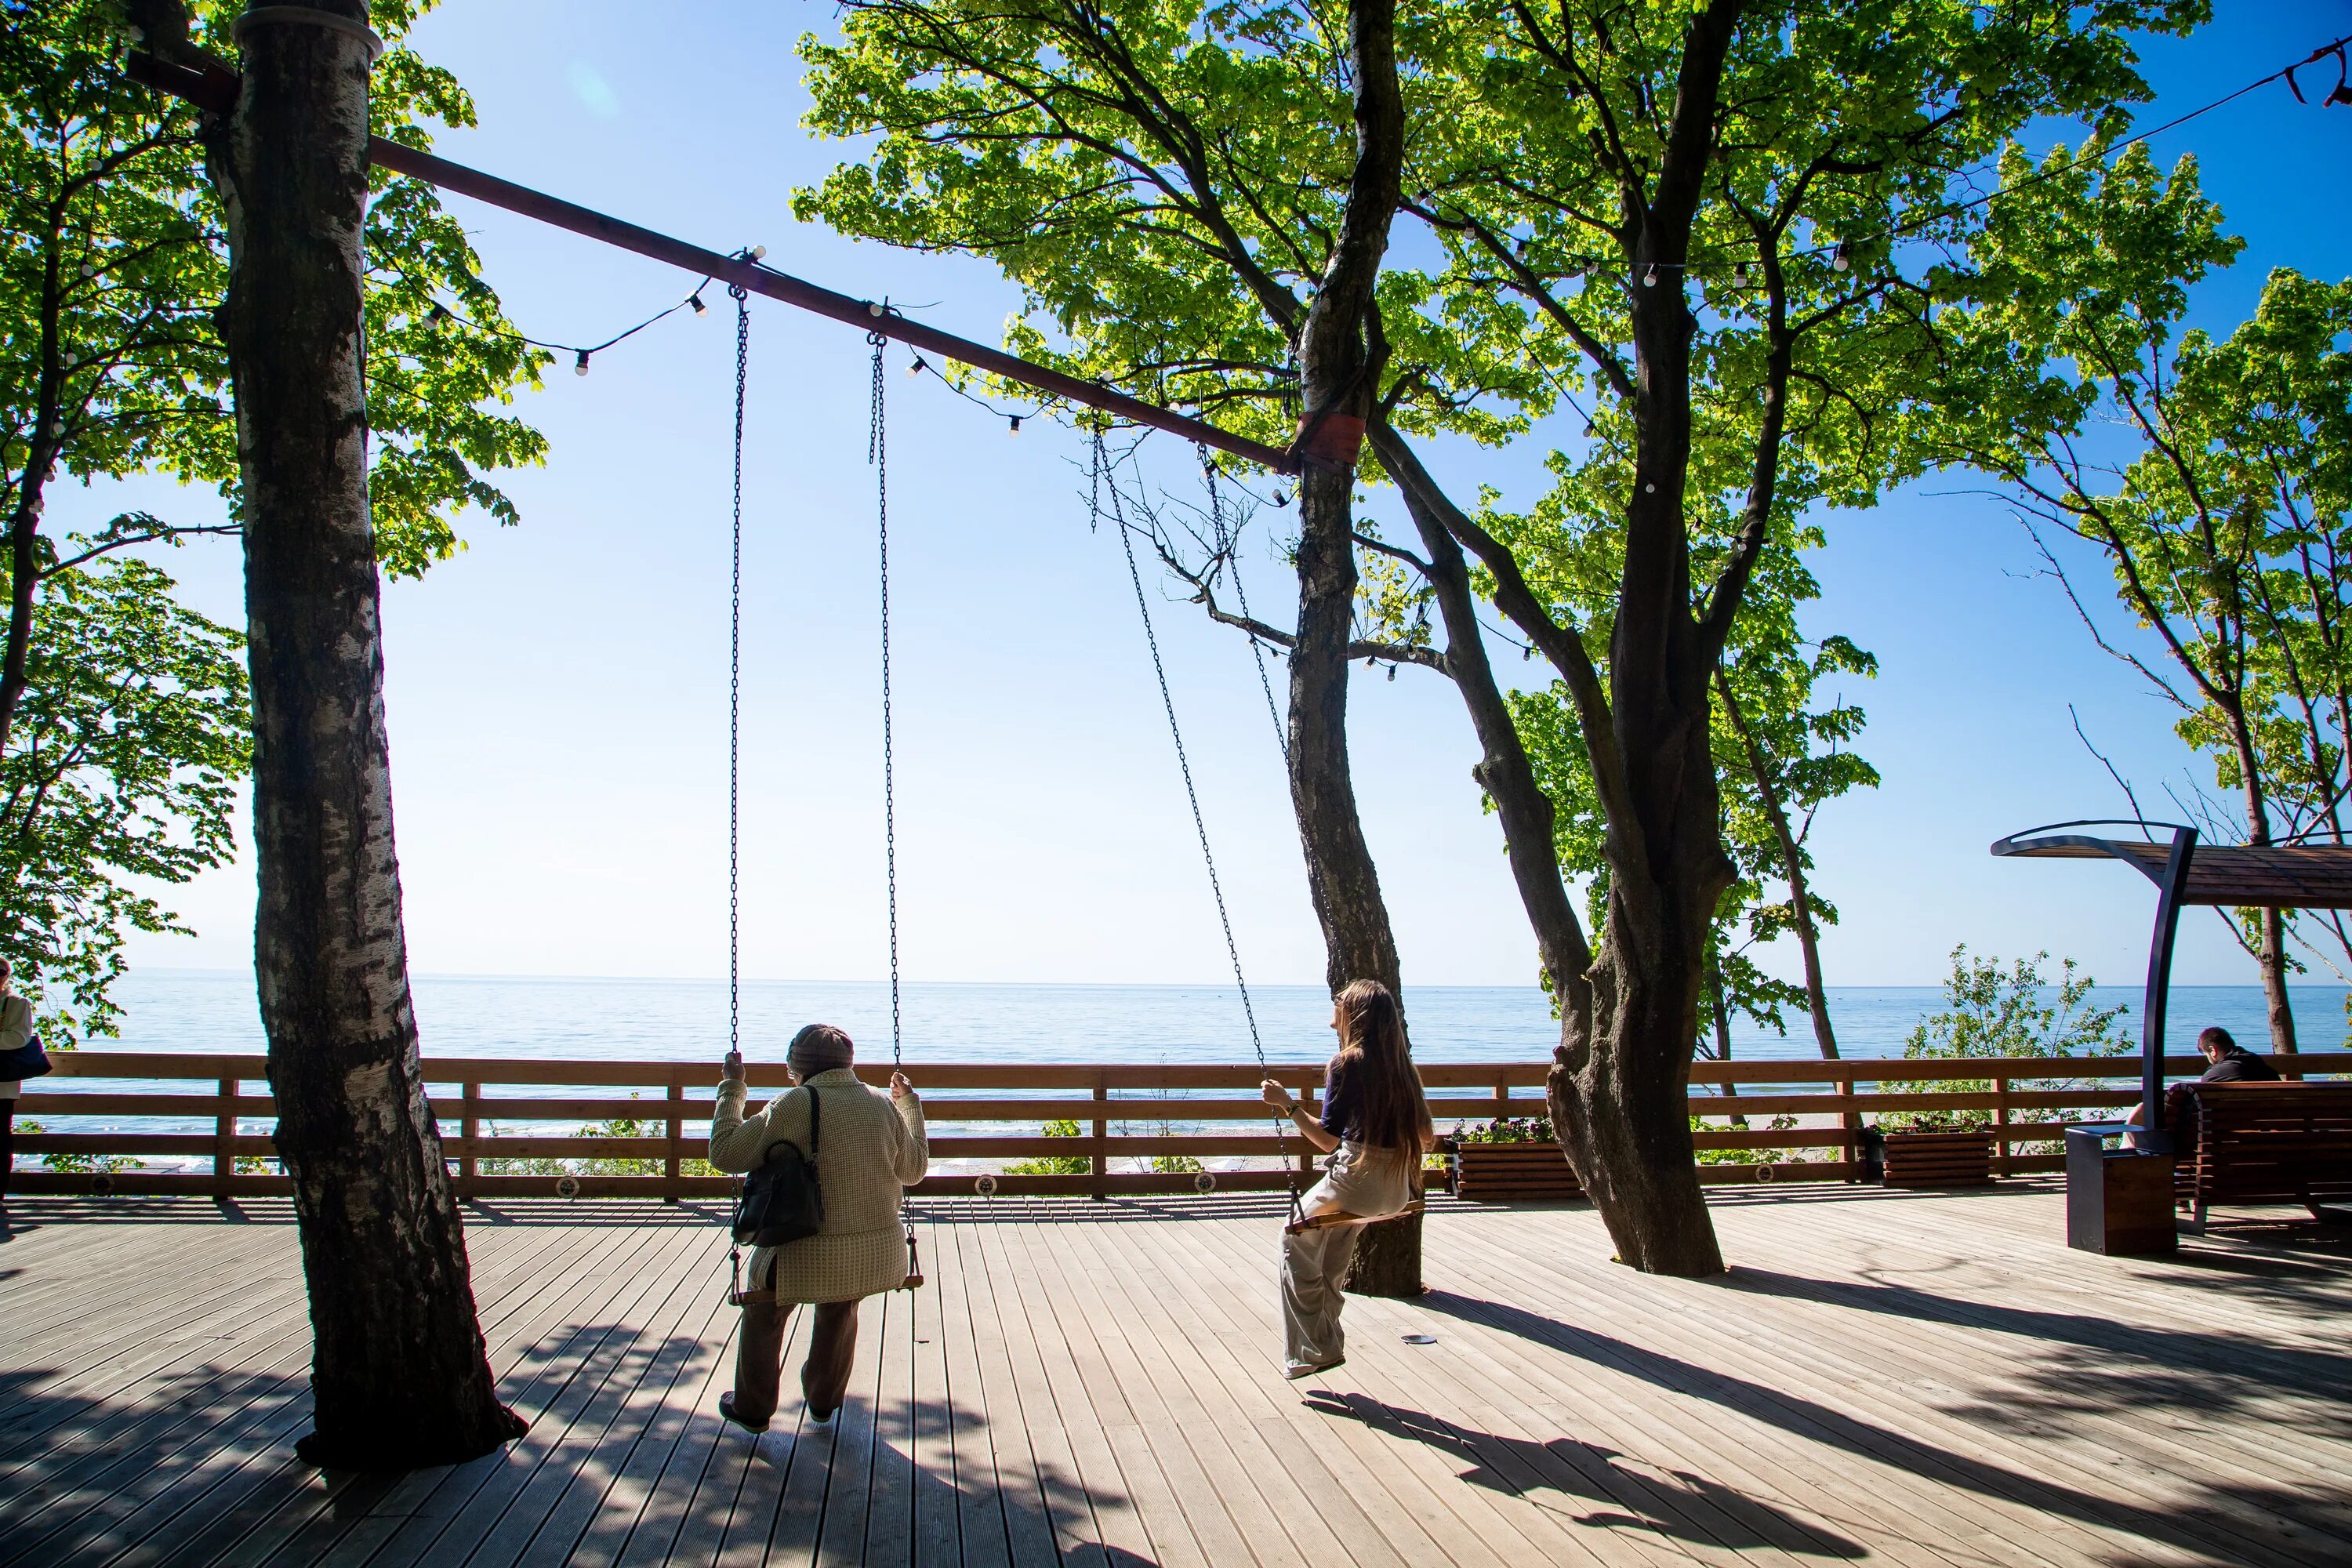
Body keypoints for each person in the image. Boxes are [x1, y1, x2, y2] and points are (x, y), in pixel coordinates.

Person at [709, 1024, 927, 1433]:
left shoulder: (793, 1103)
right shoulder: (880, 1104)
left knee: (765, 1308)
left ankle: (753, 1407)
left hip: (799, 1249)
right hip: (875, 1254)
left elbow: (725, 1154)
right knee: (840, 1303)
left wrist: (732, 1089)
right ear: (848, 1064)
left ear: (796, 1067)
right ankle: (824, 1401)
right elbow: (914, 1171)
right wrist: (909, 1105)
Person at [1259, 978, 1436, 1381]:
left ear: (1354, 1014)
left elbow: (1325, 1141)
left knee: (1293, 1236)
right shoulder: (1402, 1067)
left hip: (1357, 1181)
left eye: (1338, 1003)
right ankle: (1324, 1344)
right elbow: (1426, 1135)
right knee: (1333, 1243)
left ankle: (1312, 1350)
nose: (1333, 1010)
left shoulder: (1345, 1063)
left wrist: (1286, 1104)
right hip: (1395, 1190)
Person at [2126, 1025, 2281, 1153]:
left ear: (2213, 1050)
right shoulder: (2264, 1068)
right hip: (2269, 1150)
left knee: (2140, 1112)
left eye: (2206, 1054)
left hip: (2217, 1151)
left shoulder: (2215, 1075)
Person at [0, 960, 25, 1207]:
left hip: (2, 1086)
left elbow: (19, 1037)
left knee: (0, 1140)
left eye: (1, 971)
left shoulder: (17, 1004)